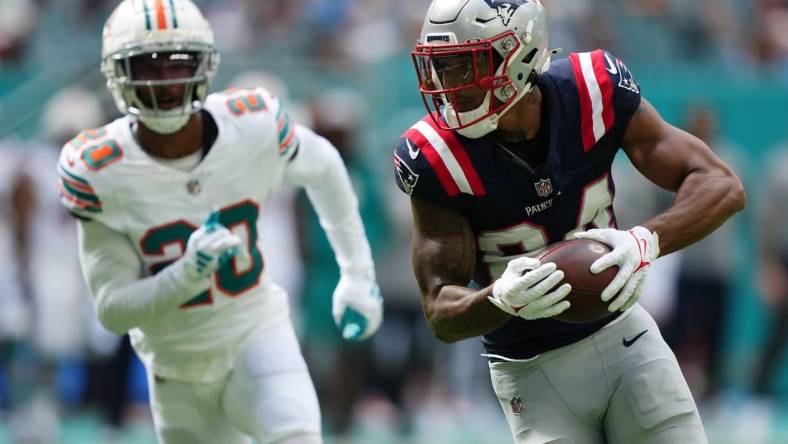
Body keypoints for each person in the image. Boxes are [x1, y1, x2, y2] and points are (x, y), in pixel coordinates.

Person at [392, 1, 745, 443]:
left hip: (624, 338)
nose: (449, 86)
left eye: (466, 66)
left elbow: (721, 184)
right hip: (530, 371)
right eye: (441, 69)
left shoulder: (592, 90)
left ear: (519, 56)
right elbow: (440, 310)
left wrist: (644, 242)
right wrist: (499, 298)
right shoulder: (434, 158)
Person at [57, 1, 383, 443]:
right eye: (147, 65)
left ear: (205, 63)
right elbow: (113, 309)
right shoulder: (102, 168)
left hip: (255, 334)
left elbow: (324, 164)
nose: (167, 82)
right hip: (175, 368)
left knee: (295, 434)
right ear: (118, 73)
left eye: (178, 63)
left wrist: (358, 275)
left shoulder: (250, 124)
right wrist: (186, 276)